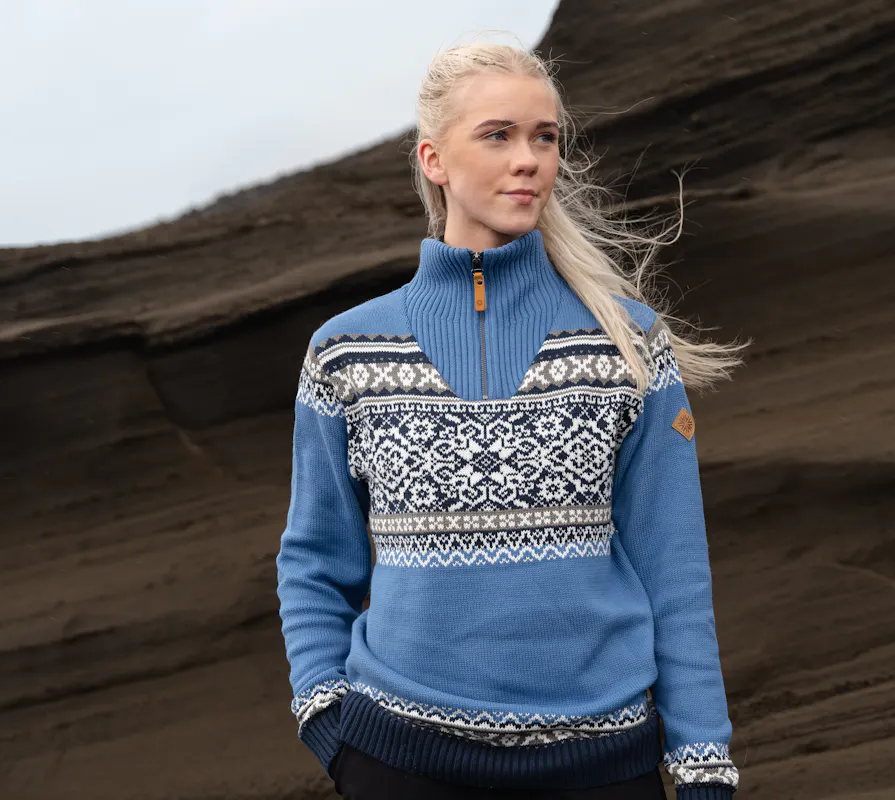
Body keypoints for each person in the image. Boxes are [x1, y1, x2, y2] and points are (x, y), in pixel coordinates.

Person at [276, 40, 750, 799]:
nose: (528, 159)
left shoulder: (628, 344)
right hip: (400, 765)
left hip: (604, 768)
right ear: (435, 160)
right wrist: (329, 720)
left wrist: (701, 765)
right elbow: (313, 561)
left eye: (545, 136)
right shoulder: (345, 354)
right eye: (498, 135)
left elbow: (676, 572)